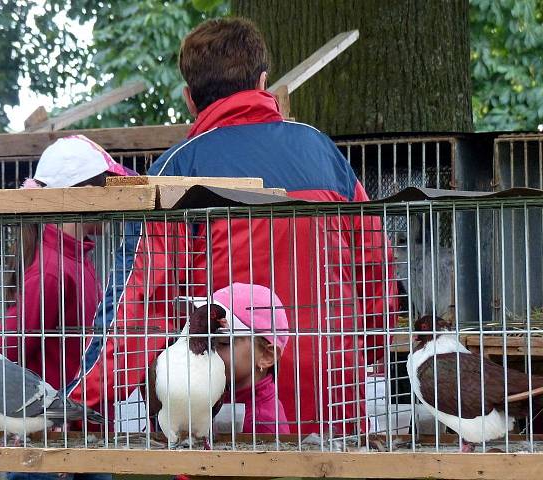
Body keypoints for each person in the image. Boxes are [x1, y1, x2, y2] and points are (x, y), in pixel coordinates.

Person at [68, 18, 397, 437]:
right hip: (330, 394)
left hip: (218, 404)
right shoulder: (323, 151)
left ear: (190, 100)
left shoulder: (176, 171)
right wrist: (371, 348)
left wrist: (82, 408)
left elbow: (136, 302)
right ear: (263, 82)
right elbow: (374, 262)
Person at [0, 134, 134, 392]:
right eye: (111, 191)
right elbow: (5, 356)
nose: (117, 201)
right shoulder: (51, 270)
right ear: (90, 195)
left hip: (77, 417)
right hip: (57, 425)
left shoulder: (76, 258)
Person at [199, 283, 291, 435]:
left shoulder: (262, 425)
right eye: (203, 339)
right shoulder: (218, 394)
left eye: (223, 343)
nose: (205, 350)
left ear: (267, 356)